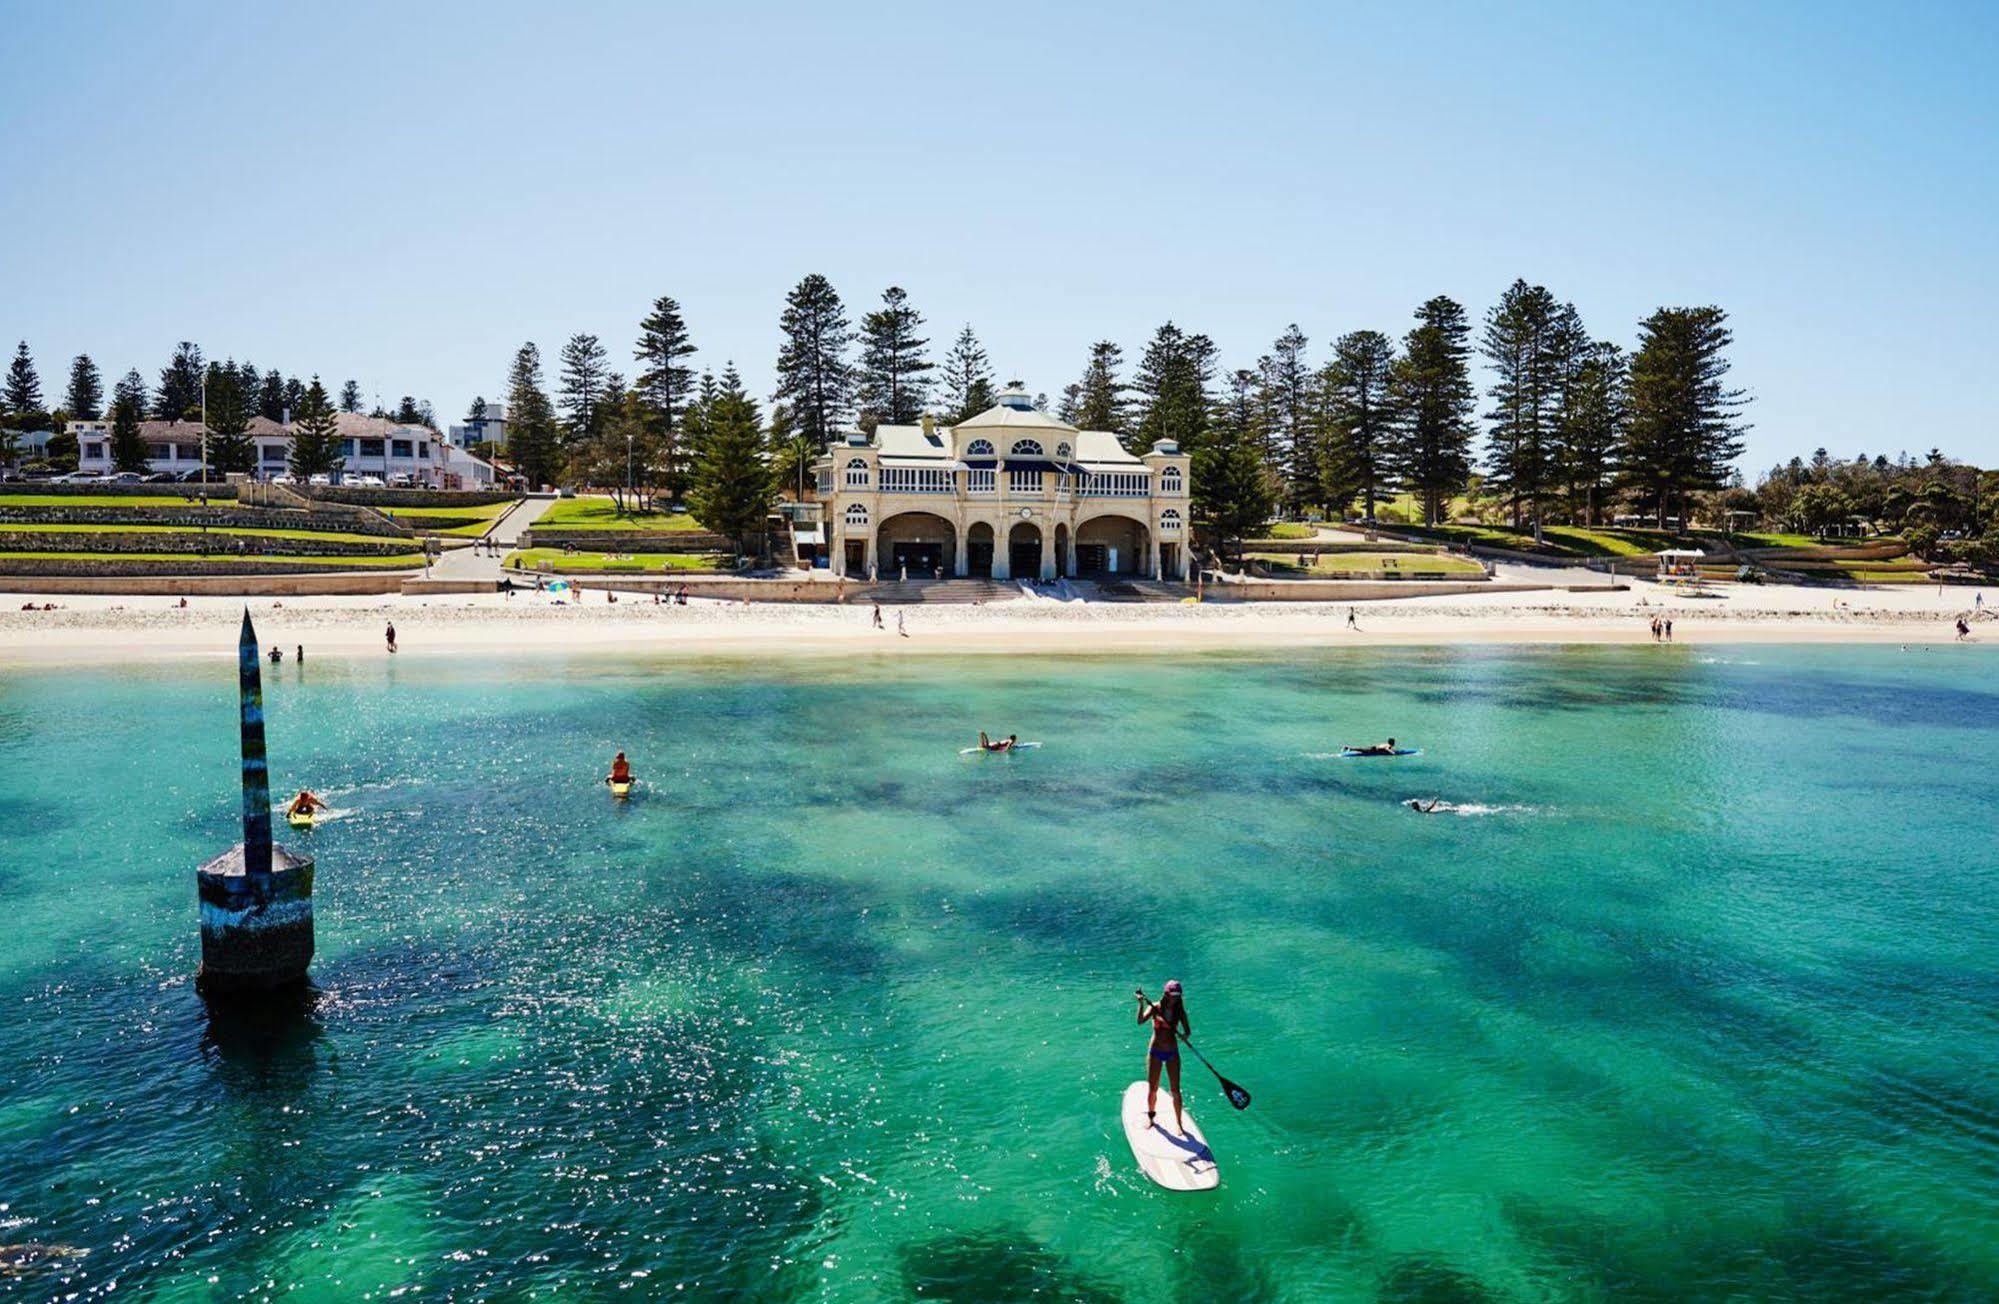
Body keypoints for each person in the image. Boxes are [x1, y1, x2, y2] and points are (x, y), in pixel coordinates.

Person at [1134, 981, 1191, 1133]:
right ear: (1166, 994)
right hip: (1155, 1052)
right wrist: (1140, 1003)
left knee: (1175, 1090)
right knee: (1153, 1089)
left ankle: (1179, 1124)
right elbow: (1140, 1021)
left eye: (1178, 996)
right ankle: (1151, 1118)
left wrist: (1184, 1036)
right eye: (1173, 995)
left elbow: (1187, 1031)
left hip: (1172, 1053)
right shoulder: (1155, 1007)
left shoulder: (1180, 1012)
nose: (1175, 999)